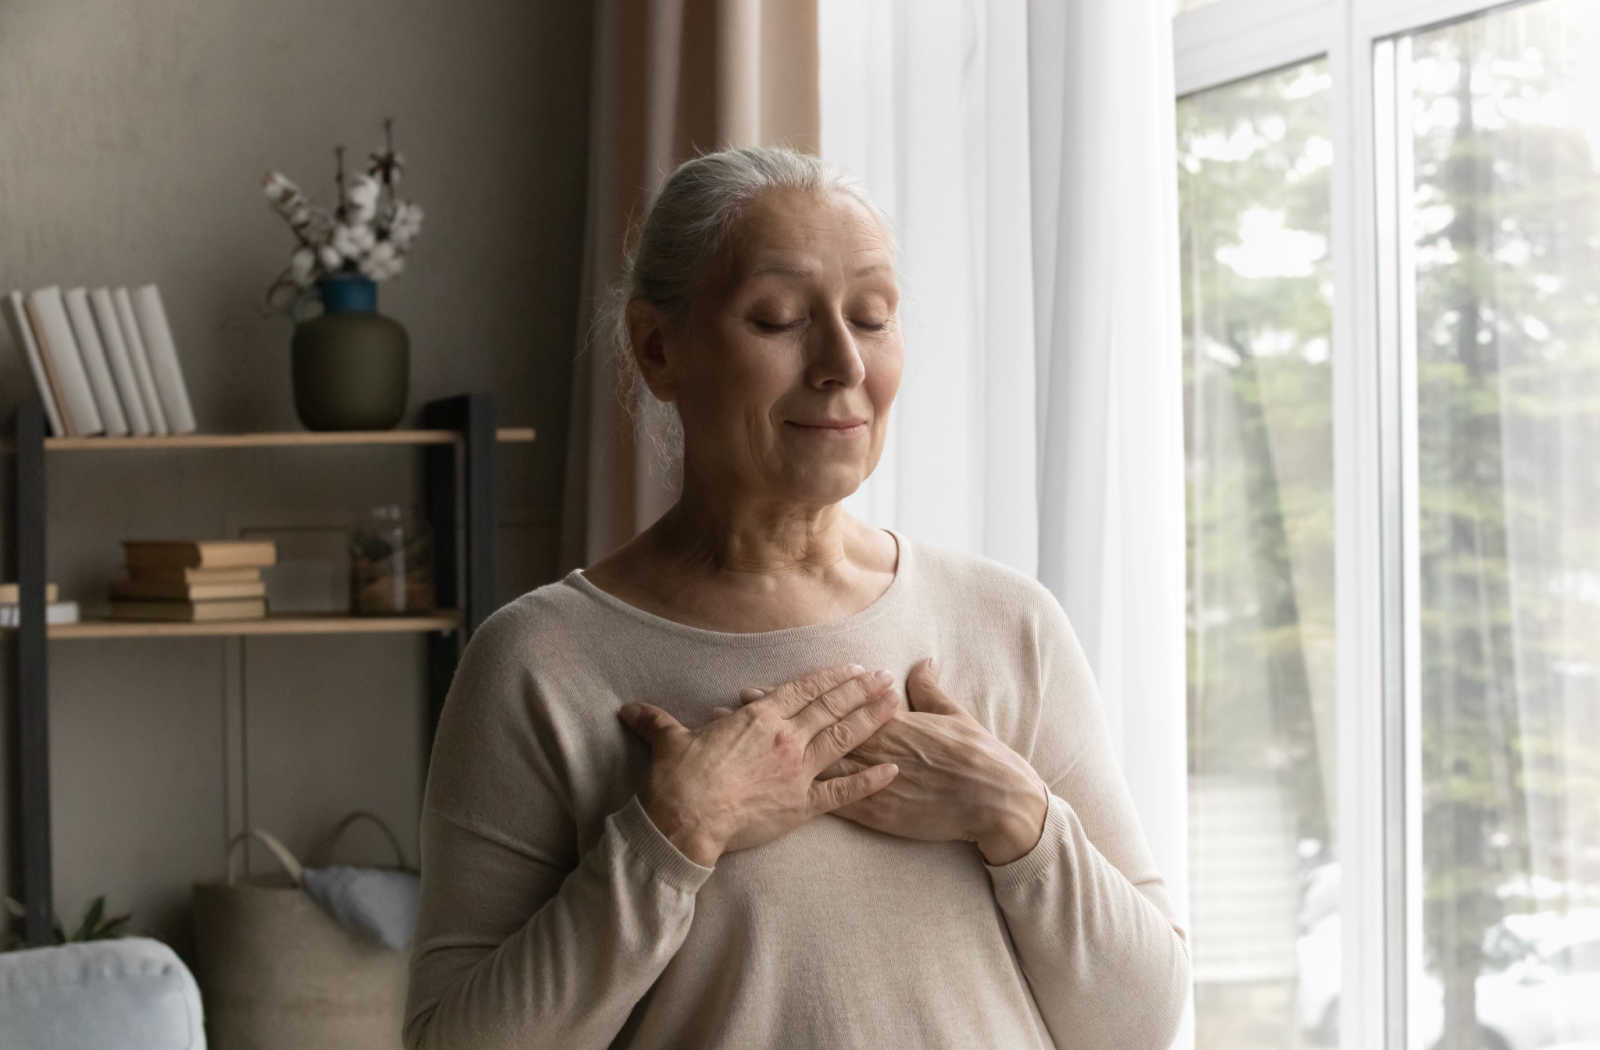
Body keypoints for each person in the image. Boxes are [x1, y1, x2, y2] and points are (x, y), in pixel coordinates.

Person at [402, 145, 1190, 1050]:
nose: (842, 363)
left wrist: (1016, 814)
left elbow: (1141, 1020)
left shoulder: (1009, 625)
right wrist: (672, 836)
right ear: (659, 348)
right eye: (778, 320)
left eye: (874, 317)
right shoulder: (539, 662)